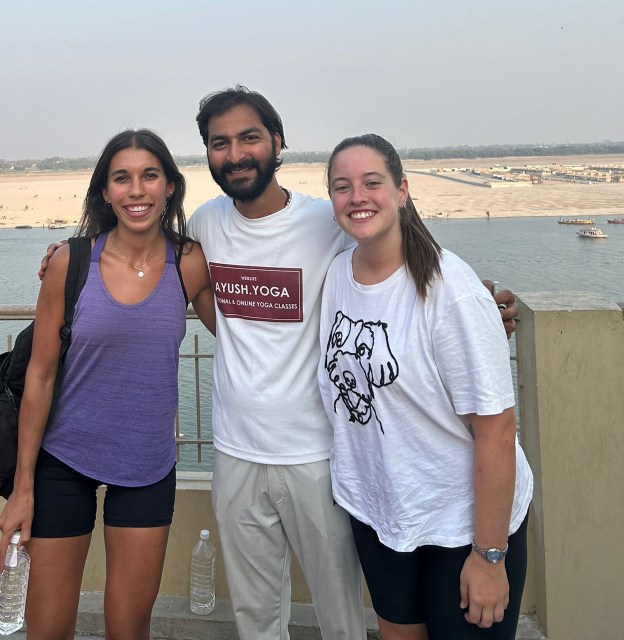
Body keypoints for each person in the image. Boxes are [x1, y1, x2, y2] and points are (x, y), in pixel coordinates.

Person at [39, 89, 519, 640]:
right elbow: (142, 252)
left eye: (249, 137)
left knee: (340, 614)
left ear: (278, 142)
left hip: (320, 454)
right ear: (208, 157)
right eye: (220, 143)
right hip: (235, 452)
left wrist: (479, 305)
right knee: (257, 617)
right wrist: (72, 251)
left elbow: (396, 256)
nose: (236, 153)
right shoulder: (206, 225)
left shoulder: (326, 221)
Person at [0, 129, 215, 640]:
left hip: (146, 463)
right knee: (48, 629)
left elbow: (246, 333)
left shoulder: (190, 262)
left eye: (149, 176)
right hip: (63, 460)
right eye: (122, 178)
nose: (136, 190)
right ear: (105, 191)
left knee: (128, 627)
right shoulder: (69, 264)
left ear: (170, 187)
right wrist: (22, 487)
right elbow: (41, 373)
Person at [318, 134, 533, 640]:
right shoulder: (335, 276)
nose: (357, 197)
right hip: (380, 513)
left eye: (372, 183)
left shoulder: (451, 291)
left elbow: (498, 430)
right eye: (342, 187)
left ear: (402, 191)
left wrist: (489, 555)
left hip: (460, 524)